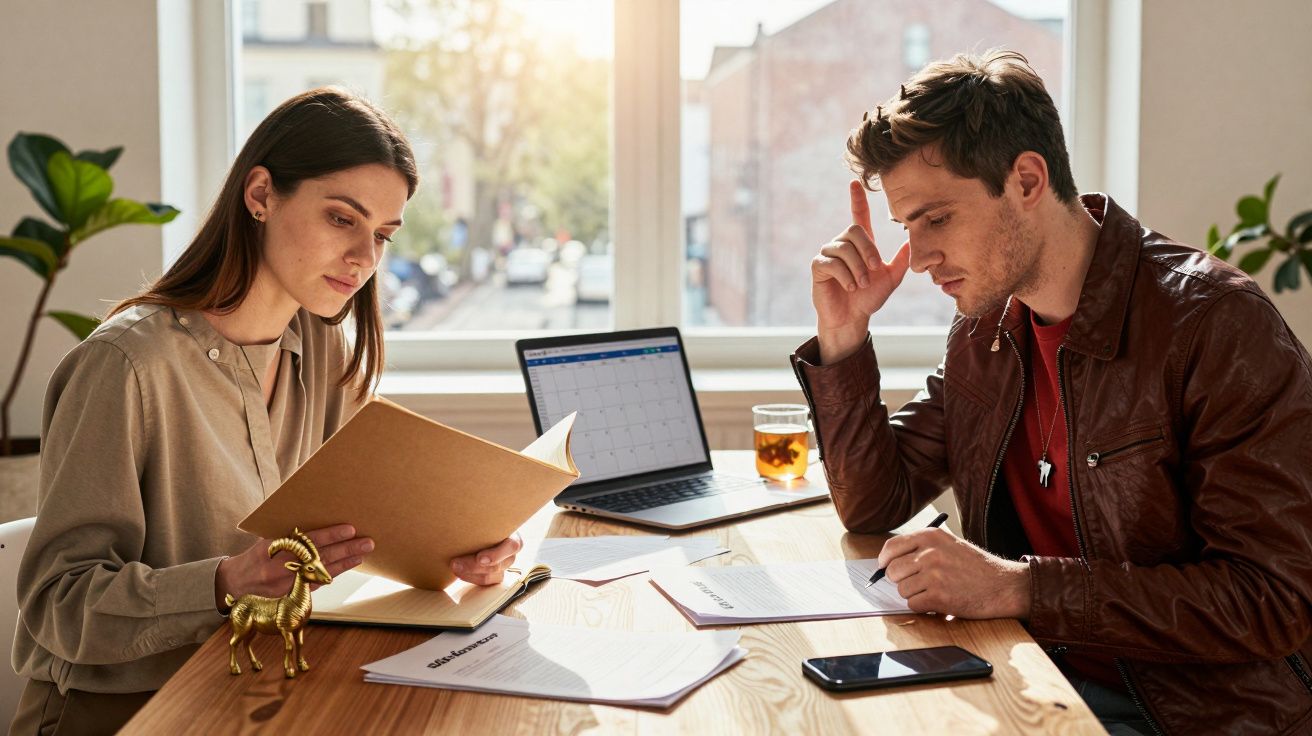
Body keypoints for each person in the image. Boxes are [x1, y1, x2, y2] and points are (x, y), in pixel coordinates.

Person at [792, 50, 1312, 734]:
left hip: (1192, 714)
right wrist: (844, 337)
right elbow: (873, 505)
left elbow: (1272, 599)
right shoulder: (985, 333)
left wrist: (1021, 586)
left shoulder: (1215, 325)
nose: (918, 260)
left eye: (937, 219)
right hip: (1029, 675)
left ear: (1027, 180)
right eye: (907, 227)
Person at [9, 88, 522, 734]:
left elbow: (369, 521)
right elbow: (55, 603)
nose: (365, 258)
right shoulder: (125, 366)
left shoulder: (323, 348)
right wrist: (225, 583)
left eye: (381, 235)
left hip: (253, 694)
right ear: (260, 195)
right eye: (342, 218)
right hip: (119, 716)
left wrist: (464, 548)